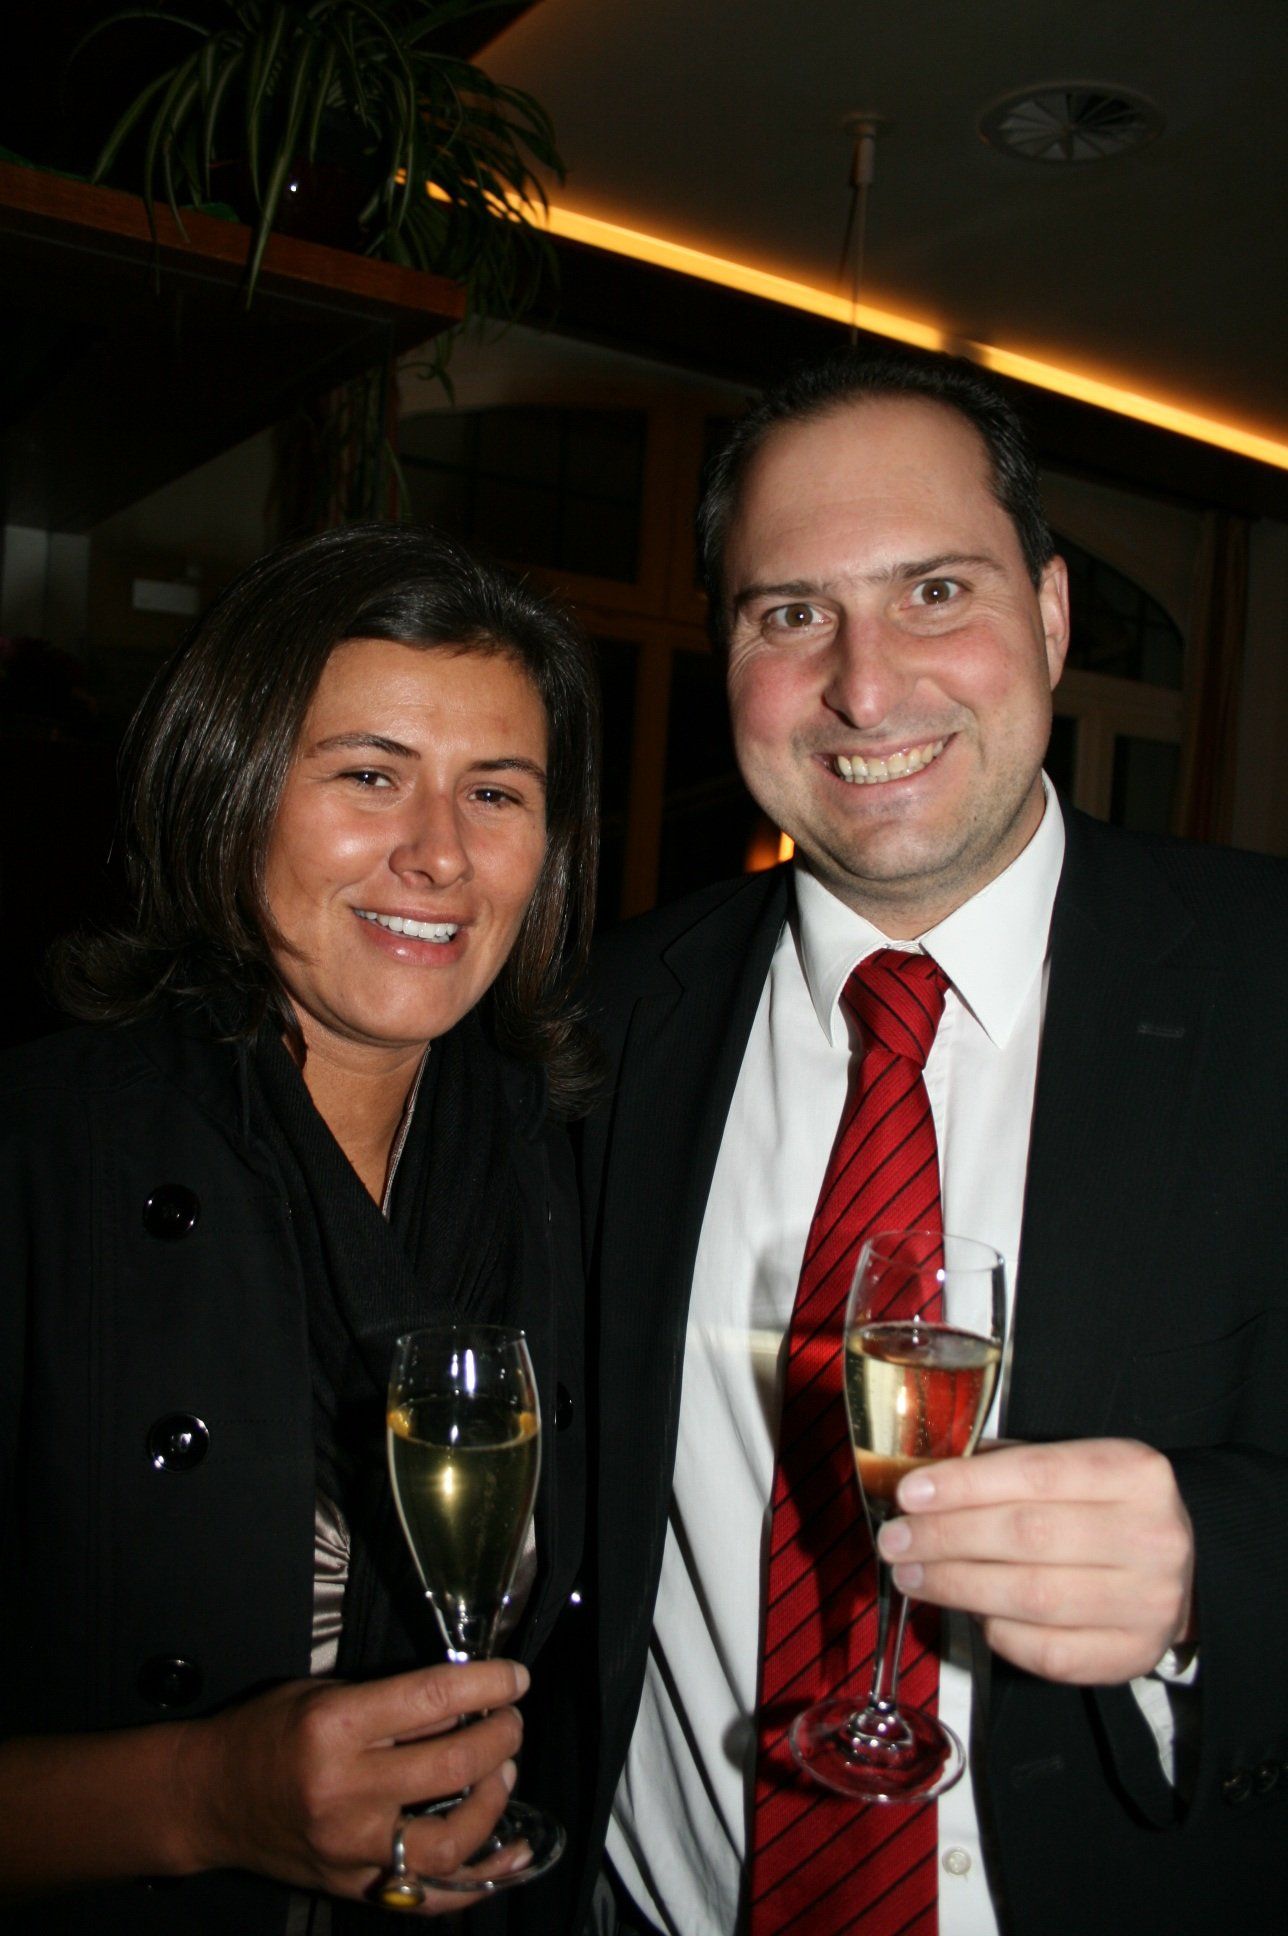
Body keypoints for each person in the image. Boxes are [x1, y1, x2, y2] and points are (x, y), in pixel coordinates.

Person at [562, 352, 1288, 1936]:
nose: (866, 688)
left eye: (935, 592)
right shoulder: (597, 1027)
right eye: (791, 614)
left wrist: (1212, 1574)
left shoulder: (1268, 987)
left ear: (1053, 615)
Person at [0, 523, 598, 1932]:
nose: (438, 853)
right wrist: (202, 1796)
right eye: (369, 775)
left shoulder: (568, 1163)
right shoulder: (37, 1156)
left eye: (495, 792)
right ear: (230, 790)